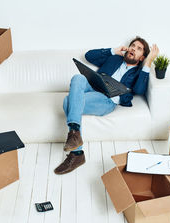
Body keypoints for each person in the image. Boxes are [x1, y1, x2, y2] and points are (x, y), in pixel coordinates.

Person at [54, 36, 159, 175]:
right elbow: (88, 56)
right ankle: (75, 138)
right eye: (132, 45)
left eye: (139, 49)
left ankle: (77, 152)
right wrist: (113, 50)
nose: (133, 48)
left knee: (68, 102)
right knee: (78, 78)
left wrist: (148, 62)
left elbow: (139, 90)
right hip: (93, 87)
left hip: (107, 100)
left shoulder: (139, 72)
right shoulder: (115, 58)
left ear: (141, 57)